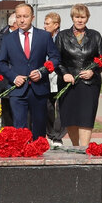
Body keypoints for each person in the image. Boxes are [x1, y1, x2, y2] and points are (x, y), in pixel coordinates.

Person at [0, 3, 61, 140]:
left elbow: (55, 58)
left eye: (25, 16)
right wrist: (13, 77)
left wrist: (42, 71)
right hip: (17, 89)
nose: (21, 20)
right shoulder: (8, 39)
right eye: (18, 16)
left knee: (39, 126)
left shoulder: (44, 36)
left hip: (39, 89)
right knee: (19, 127)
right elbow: (1, 63)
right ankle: (21, 156)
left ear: (32, 17)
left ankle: (38, 154)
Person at [55, 4, 102, 148]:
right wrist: (64, 74)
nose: (79, 20)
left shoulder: (95, 35)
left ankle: (84, 148)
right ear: (72, 17)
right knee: (70, 117)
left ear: (87, 18)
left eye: (82, 17)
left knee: (86, 117)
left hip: (89, 84)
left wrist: (93, 71)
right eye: (77, 17)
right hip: (68, 84)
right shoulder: (62, 36)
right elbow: (55, 59)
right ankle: (75, 146)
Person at [43, 12, 64, 145]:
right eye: (44, 23)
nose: (44, 26)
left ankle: (57, 136)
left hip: (60, 75)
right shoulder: (44, 37)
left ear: (56, 25)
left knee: (60, 107)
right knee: (48, 106)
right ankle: (50, 134)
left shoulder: (61, 38)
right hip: (47, 76)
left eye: (47, 24)